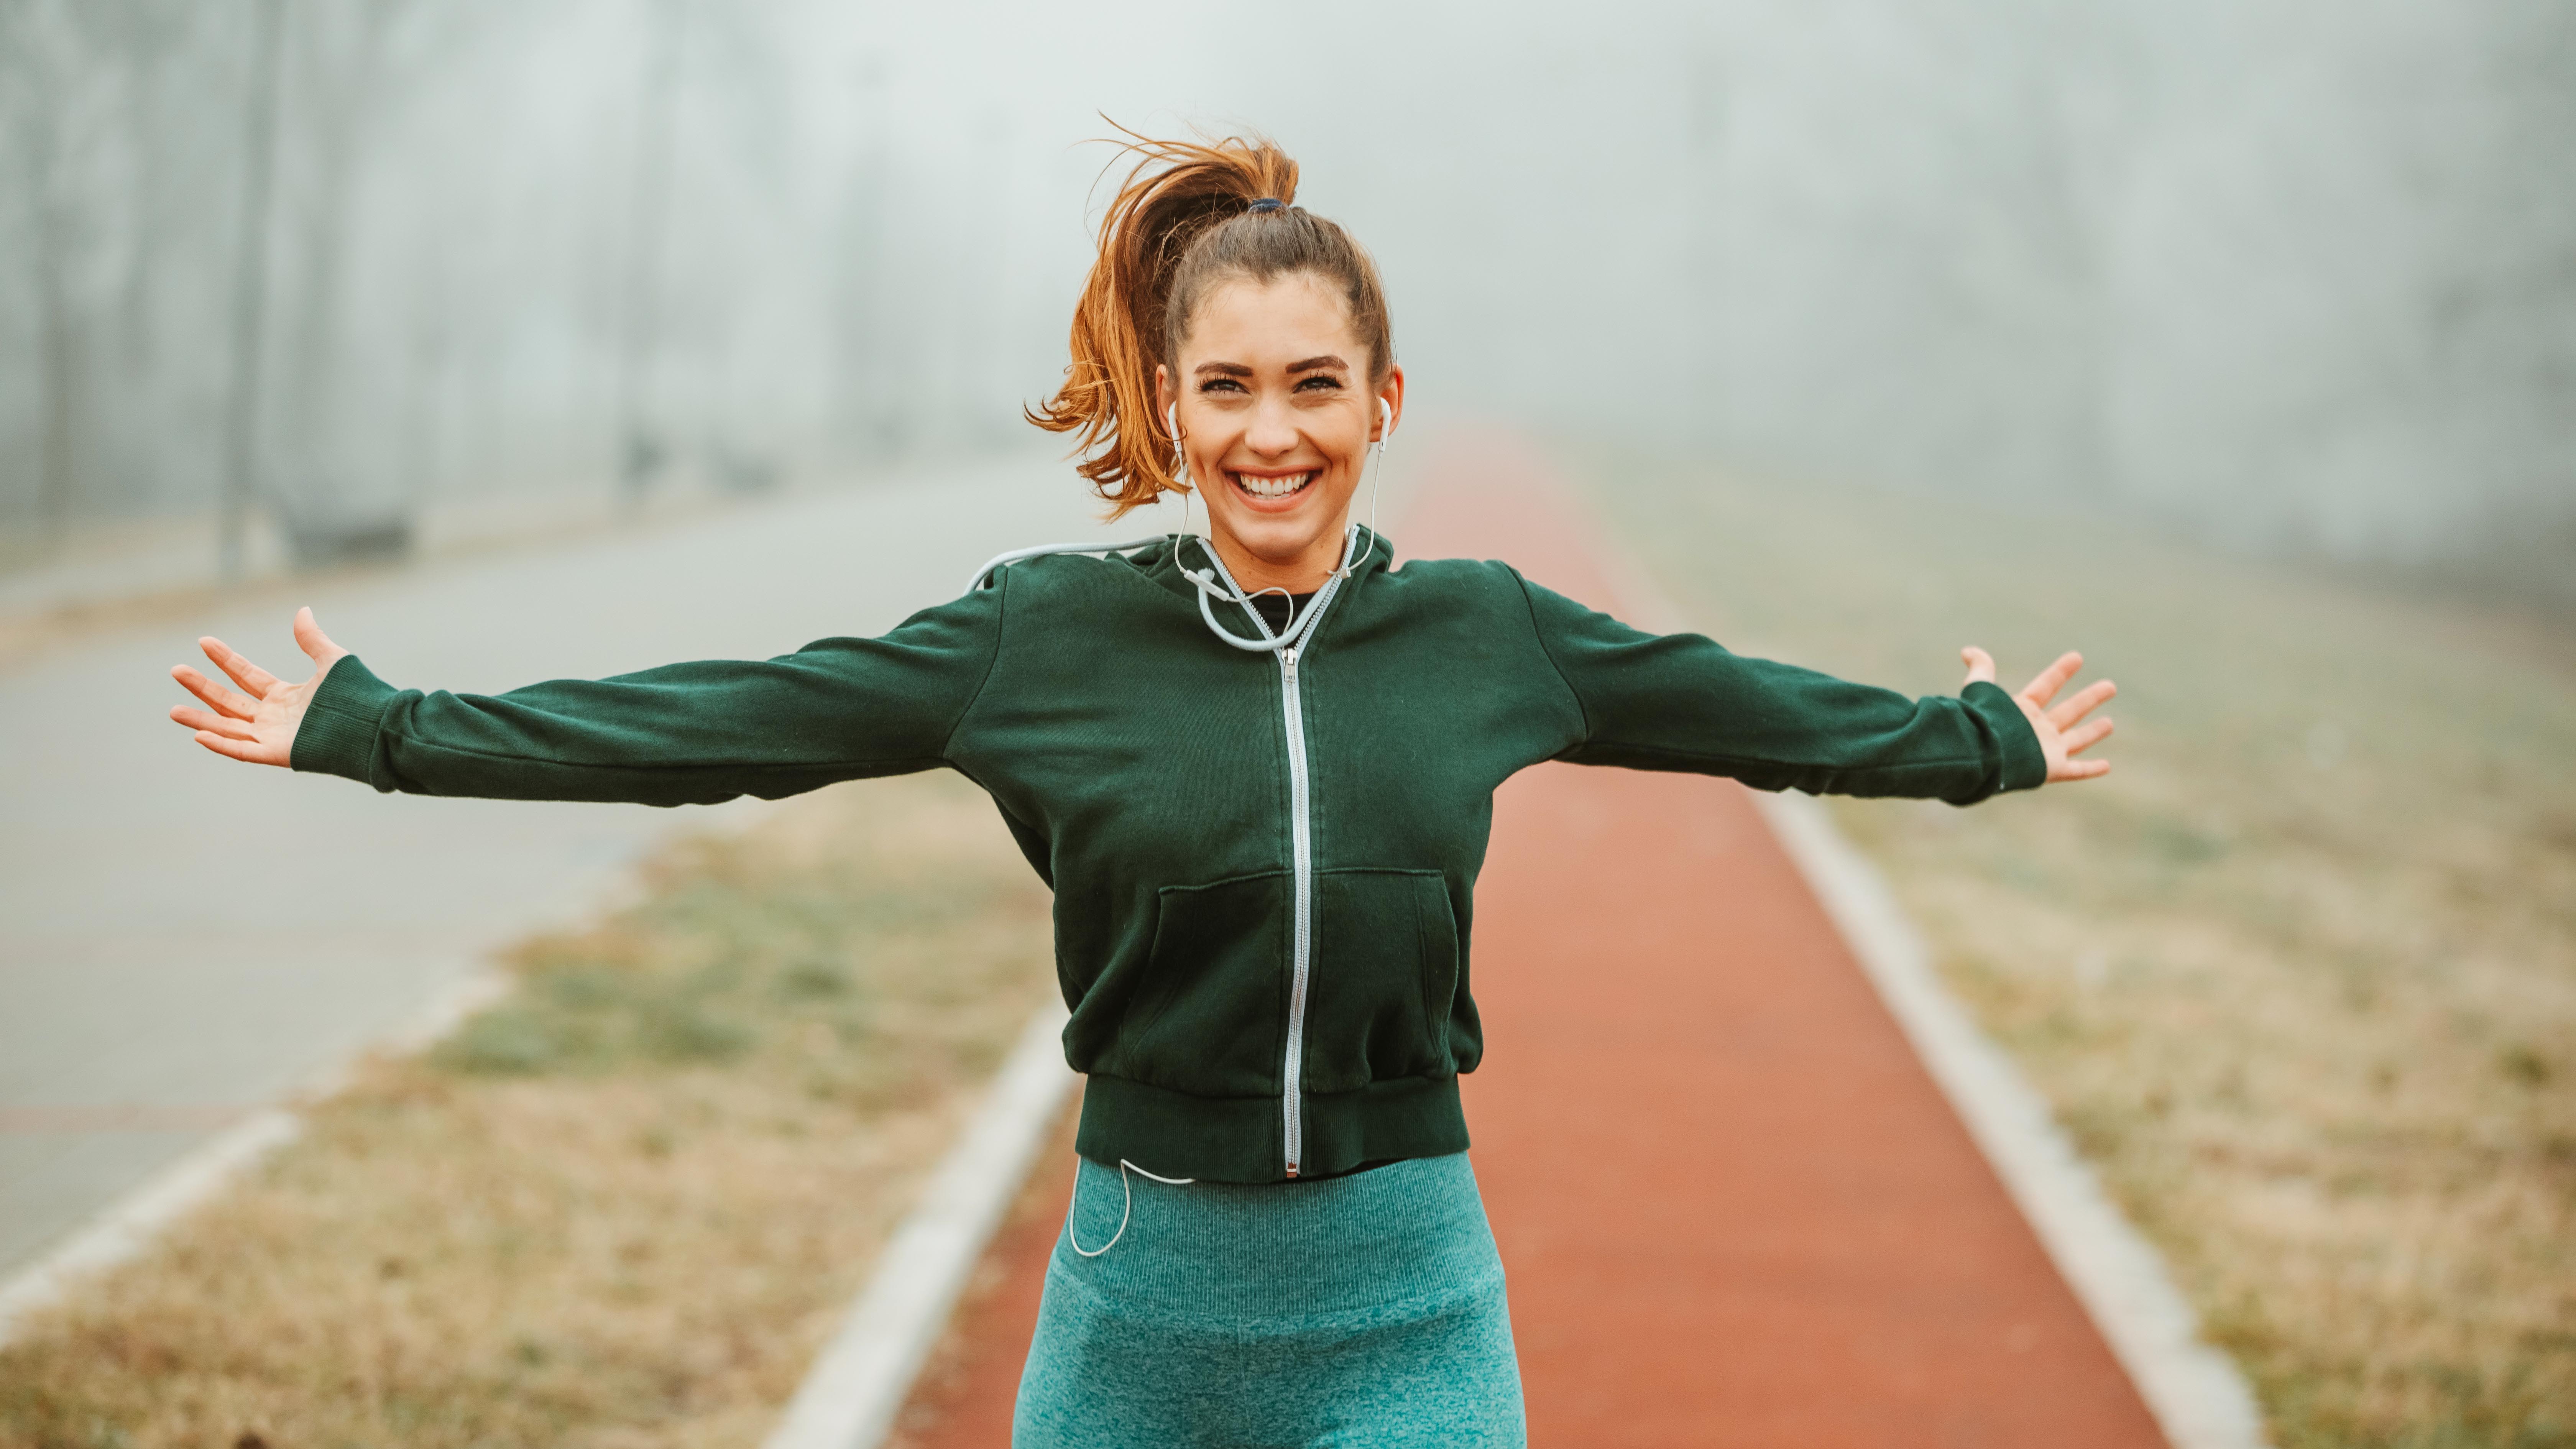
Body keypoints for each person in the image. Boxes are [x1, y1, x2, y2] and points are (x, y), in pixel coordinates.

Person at [166, 134, 2114, 1447]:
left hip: (1410, 1288)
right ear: (1170, 407)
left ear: (1383, 404)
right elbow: (735, 722)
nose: (1274, 436)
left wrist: (1974, 743)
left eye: (1316, 387)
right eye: (1232, 391)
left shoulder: (1487, 635)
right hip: (1141, 1295)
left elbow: (1743, 709)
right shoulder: (1044, 642)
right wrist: (384, 727)